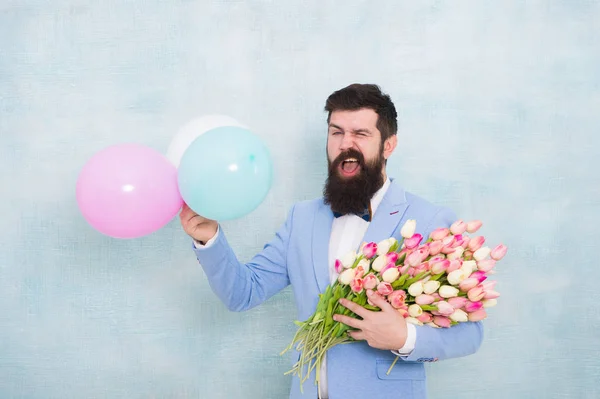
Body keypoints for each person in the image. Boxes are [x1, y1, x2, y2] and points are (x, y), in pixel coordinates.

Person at [180, 84, 483, 399]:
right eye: (336, 132)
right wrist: (210, 239)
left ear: (389, 145)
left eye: (360, 134)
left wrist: (405, 337)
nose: (345, 144)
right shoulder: (302, 218)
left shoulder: (430, 220)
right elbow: (242, 292)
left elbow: (470, 334)